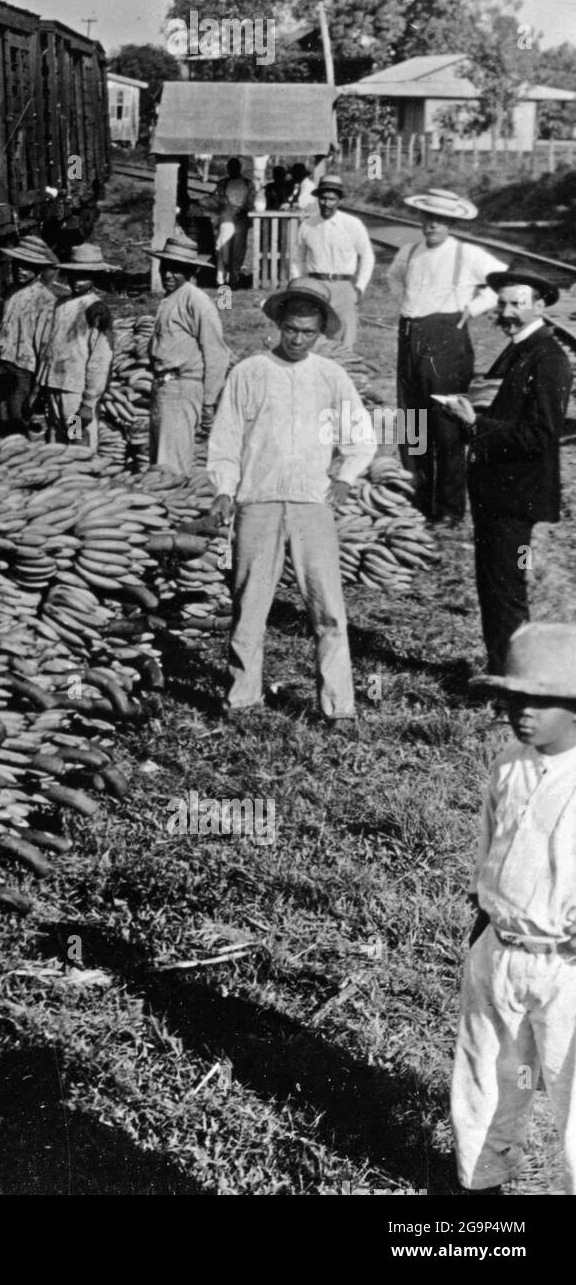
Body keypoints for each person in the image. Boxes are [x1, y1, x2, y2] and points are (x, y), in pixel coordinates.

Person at [208, 278, 376, 724]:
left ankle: (338, 706)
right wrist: (225, 488)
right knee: (249, 605)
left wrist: (344, 476)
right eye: (291, 330)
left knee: (327, 607)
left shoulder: (330, 375)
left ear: (320, 333)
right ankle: (242, 697)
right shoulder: (250, 372)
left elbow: (360, 437)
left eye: (308, 332)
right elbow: (225, 437)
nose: (298, 340)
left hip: (310, 504)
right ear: (278, 326)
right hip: (258, 501)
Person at [452, 623, 576, 1195]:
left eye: (541, 701)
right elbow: (490, 849)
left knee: (569, 1093)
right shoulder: (508, 764)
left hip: (566, 966)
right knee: (491, 1078)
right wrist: (483, 930)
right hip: (498, 951)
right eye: (514, 699)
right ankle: (482, 1192)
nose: (523, 713)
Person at [439, 272, 573, 675]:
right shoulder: (519, 349)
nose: (507, 313)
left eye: (517, 304)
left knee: (506, 589)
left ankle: (515, 679)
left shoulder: (547, 357)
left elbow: (541, 434)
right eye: (503, 304)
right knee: (495, 587)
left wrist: (474, 424)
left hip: (516, 495)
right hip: (498, 490)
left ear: (539, 307)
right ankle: (502, 669)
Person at [388, 188, 507, 525]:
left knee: (447, 426)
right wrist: (407, 305)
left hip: (446, 343)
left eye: (441, 219)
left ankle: (450, 508)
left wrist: (473, 308)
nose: (433, 224)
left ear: (452, 222)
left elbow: (502, 280)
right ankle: (419, 498)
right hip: (410, 338)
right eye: (428, 217)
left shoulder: (467, 254)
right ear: (421, 219)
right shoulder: (409, 252)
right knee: (412, 423)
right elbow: (393, 278)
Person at [140, 232, 230, 475]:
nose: (168, 275)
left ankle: (169, 504)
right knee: (161, 457)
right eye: (165, 267)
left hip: (181, 387)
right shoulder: (170, 299)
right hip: (164, 386)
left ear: (191, 271)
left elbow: (217, 353)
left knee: (171, 464)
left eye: (176, 269)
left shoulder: (197, 301)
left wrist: (209, 401)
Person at [36, 243, 119, 448]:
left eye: (84, 276)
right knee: (56, 437)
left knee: (77, 437)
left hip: (75, 391)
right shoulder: (60, 303)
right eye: (74, 275)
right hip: (54, 384)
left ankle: (83, 473)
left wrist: (89, 402)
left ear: (95, 279)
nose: (77, 281)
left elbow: (100, 360)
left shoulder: (96, 309)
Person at [0, 235, 65, 435]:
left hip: (23, 368)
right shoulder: (12, 291)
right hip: (3, 360)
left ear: (39, 270)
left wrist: (37, 388)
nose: (20, 271)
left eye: (28, 267)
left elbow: (45, 346)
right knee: (1, 416)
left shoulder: (45, 300)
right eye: (18, 265)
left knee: (19, 419)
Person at [290, 174, 375, 351]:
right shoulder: (307, 225)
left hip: (343, 287)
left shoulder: (352, 224)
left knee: (344, 339)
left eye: (331, 199)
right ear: (318, 198)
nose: (326, 203)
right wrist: (296, 283)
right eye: (323, 198)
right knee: (313, 333)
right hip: (315, 286)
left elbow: (367, 256)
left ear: (338, 200)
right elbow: (296, 258)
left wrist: (359, 287)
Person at [211, 156, 253, 287]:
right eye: (230, 168)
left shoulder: (247, 183)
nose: (232, 170)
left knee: (238, 249)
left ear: (240, 168)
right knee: (223, 247)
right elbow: (215, 199)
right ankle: (221, 279)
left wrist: (243, 209)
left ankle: (234, 278)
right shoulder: (222, 183)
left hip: (241, 219)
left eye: (235, 167)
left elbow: (251, 200)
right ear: (227, 169)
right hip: (226, 218)